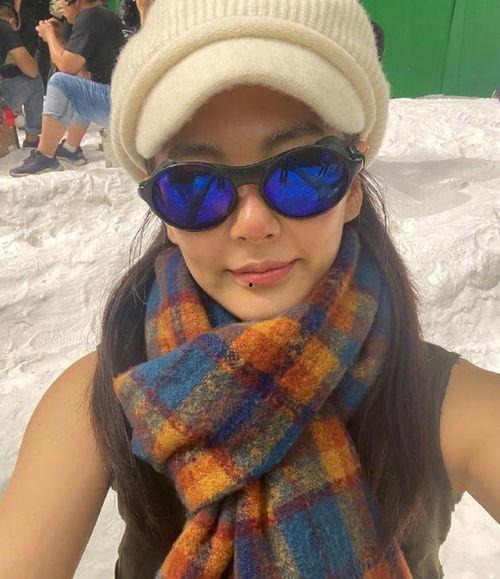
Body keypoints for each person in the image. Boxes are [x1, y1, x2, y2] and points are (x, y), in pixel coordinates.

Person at [0, 0, 499, 577]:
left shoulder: (448, 405)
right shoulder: (102, 397)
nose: (252, 224)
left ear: (353, 188)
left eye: (303, 171)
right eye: (194, 185)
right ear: (164, 215)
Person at [9, 0, 124, 176]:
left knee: (59, 82)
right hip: (119, 100)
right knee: (77, 82)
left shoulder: (89, 17)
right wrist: (59, 37)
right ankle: (71, 149)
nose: (60, 6)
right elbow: (73, 65)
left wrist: (50, 36)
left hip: (115, 104)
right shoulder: (102, 14)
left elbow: (66, 67)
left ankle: (45, 156)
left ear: (75, 2)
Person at [0, 0, 44, 148]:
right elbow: (32, 70)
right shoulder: (4, 27)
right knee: (35, 80)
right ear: (12, 22)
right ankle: (32, 140)